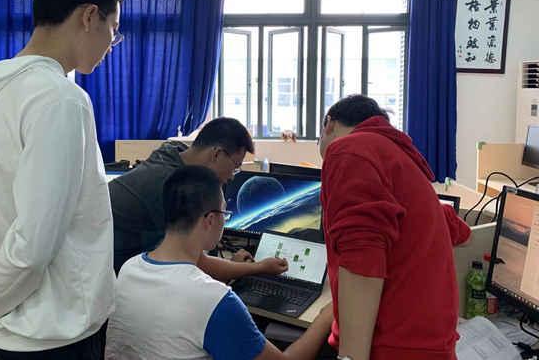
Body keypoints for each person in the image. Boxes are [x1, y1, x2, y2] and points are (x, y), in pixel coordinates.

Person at [0, 0, 124, 360]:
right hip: (51, 337)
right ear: (89, 16)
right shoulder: (61, 98)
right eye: (113, 30)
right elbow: (33, 246)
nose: (111, 45)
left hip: (8, 333)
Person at [106, 165, 333, 360]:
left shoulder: (129, 268)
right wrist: (323, 320)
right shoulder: (215, 300)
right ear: (211, 219)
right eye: (225, 214)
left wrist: (250, 268)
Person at [317, 95, 471, 360]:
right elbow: (460, 232)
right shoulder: (401, 160)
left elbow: (362, 257)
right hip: (427, 346)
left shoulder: (349, 150)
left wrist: (350, 358)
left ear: (328, 124)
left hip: (390, 347)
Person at [110, 117, 287, 279]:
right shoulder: (170, 185)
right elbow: (197, 264)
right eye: (235, 166)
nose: (232, 177)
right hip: (116, 276)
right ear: (216, 154)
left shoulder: (174, 153)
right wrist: (257, 267)